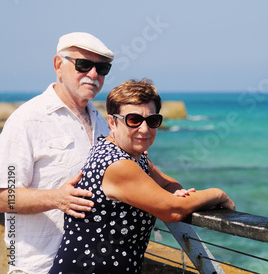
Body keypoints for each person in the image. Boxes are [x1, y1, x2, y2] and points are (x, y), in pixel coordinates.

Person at [49, 79, 235, 273]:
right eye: (134, 120)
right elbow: (173, 212)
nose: (144, 129)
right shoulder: (117, 165)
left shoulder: (132, 157)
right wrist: (218, 194)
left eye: (152, 121)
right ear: (112, 122)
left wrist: (176, 194)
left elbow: (168, 184)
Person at [0, 32, 115, 274]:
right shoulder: (27, 120)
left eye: (102, 68)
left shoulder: (101, 122)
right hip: (37, 267)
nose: (93, 74)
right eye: (83, 65)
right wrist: (56, 199)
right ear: (58, 65)